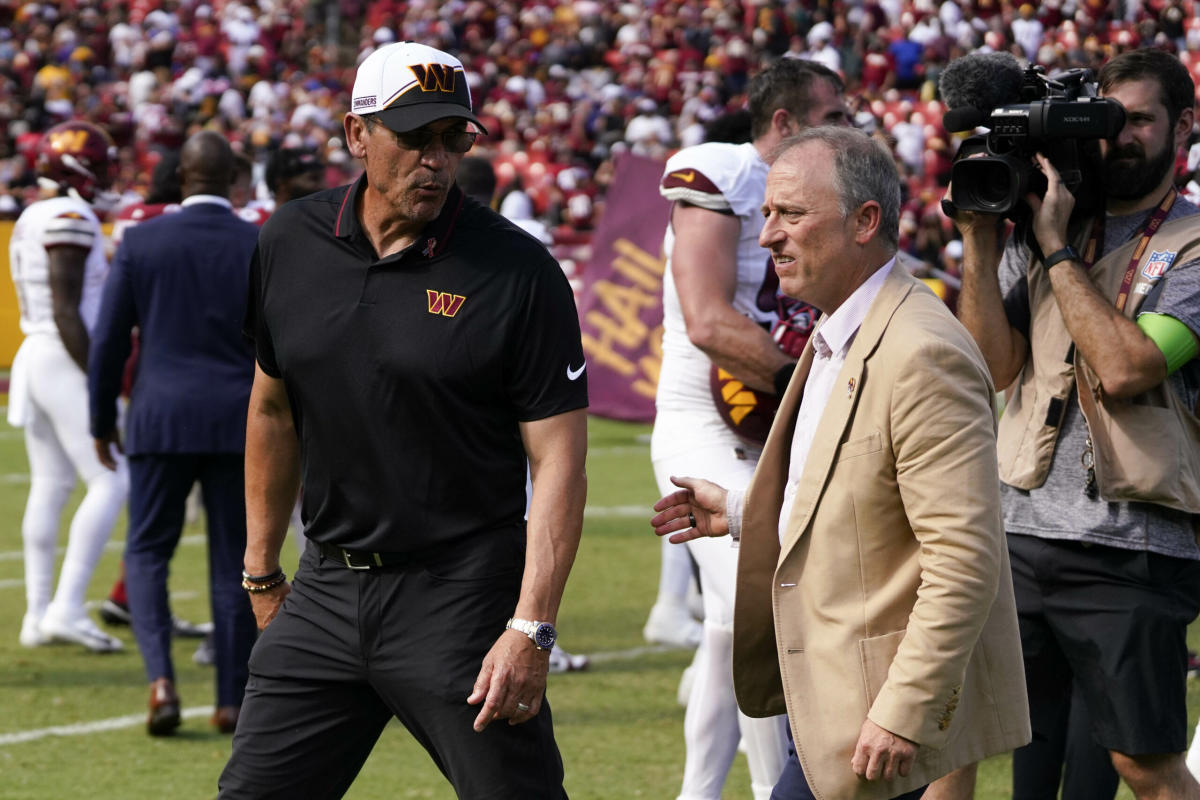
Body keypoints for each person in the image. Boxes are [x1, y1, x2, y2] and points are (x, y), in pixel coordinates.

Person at [217, 41, 588, 799]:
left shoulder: (519, 272)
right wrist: (260, 572)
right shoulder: (288, 240)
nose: (437, 158)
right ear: (358, 135)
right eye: (415, 136)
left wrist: (531, 626)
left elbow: (559, 462)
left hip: (461, 595)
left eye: (454, 138)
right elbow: (272, 405)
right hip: (324, 587)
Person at [651, 126, 1031, 800]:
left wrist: (902, 710)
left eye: (791, 214)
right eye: (766, 214)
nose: (768, 236)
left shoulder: (919, 352)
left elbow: (964, 560)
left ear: (865, 222)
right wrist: (743, 512)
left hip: (875, 711)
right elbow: (855, 496)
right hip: (830, 695)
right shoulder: (837, 332)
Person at [953, 46, 1200, 800]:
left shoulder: (1190, 246)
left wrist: (1056, 246)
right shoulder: (1042, 224)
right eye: (1103, 120)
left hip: (1134, 544)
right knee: (1025, 758)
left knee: (1142, 765)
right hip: (1022, 529)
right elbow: (993, 367)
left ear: (1185, 126)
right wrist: (981, 239)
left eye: (1137, 122)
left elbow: (1126, 370)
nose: (1116, 137)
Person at [648, 58, 847, 800]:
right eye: (833, 114)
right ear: (786, 124)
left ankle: (698, 794)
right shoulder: (721, 172)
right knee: (762, 606)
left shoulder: (823, 195)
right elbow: (708, 320)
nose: (849, 127)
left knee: (729, 631)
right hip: (708, 420)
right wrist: (816, 388)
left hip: (773, 421)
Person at [88, 130, 260, 736]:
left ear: (180, 178)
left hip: (159, 417)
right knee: (233, 561)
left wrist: (100, 418)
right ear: (232, 180)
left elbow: (109, 340)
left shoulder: (141, 240)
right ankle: (232, 699)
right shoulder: (258, 241)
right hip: (239, 421)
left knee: (146, 550)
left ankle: (161, 679)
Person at [9, 119, 127, 653]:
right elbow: (66, 309)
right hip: (61, 354)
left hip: (36, 354)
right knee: (112, 479)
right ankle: (66, 607)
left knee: (52, 485)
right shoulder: (67, 215)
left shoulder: (36, 212)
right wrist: (101, 379)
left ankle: (37, 614)